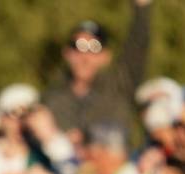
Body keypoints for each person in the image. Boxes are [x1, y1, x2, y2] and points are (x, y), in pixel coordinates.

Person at [42, 0, 154, 140]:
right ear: (67, 53)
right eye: (78, 46)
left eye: (94, 47)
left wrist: (141, 8)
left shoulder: (119, 87)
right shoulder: (51, 100)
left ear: (106, 56)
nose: (85, 56)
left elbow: (137, 47)